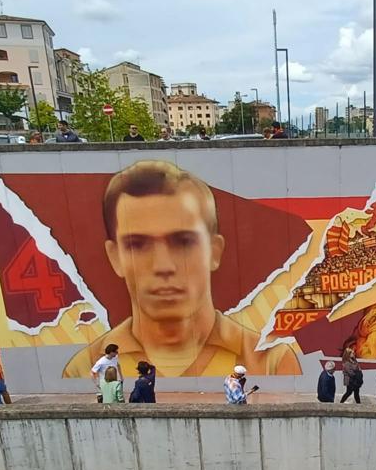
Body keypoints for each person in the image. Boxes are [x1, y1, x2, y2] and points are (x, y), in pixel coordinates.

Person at [62, 161, 300, 378]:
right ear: (115, 257)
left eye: (183, 242)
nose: (163, 266)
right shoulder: (82, 368)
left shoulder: (271, 361)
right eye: (138, 245)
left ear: (214, 251)